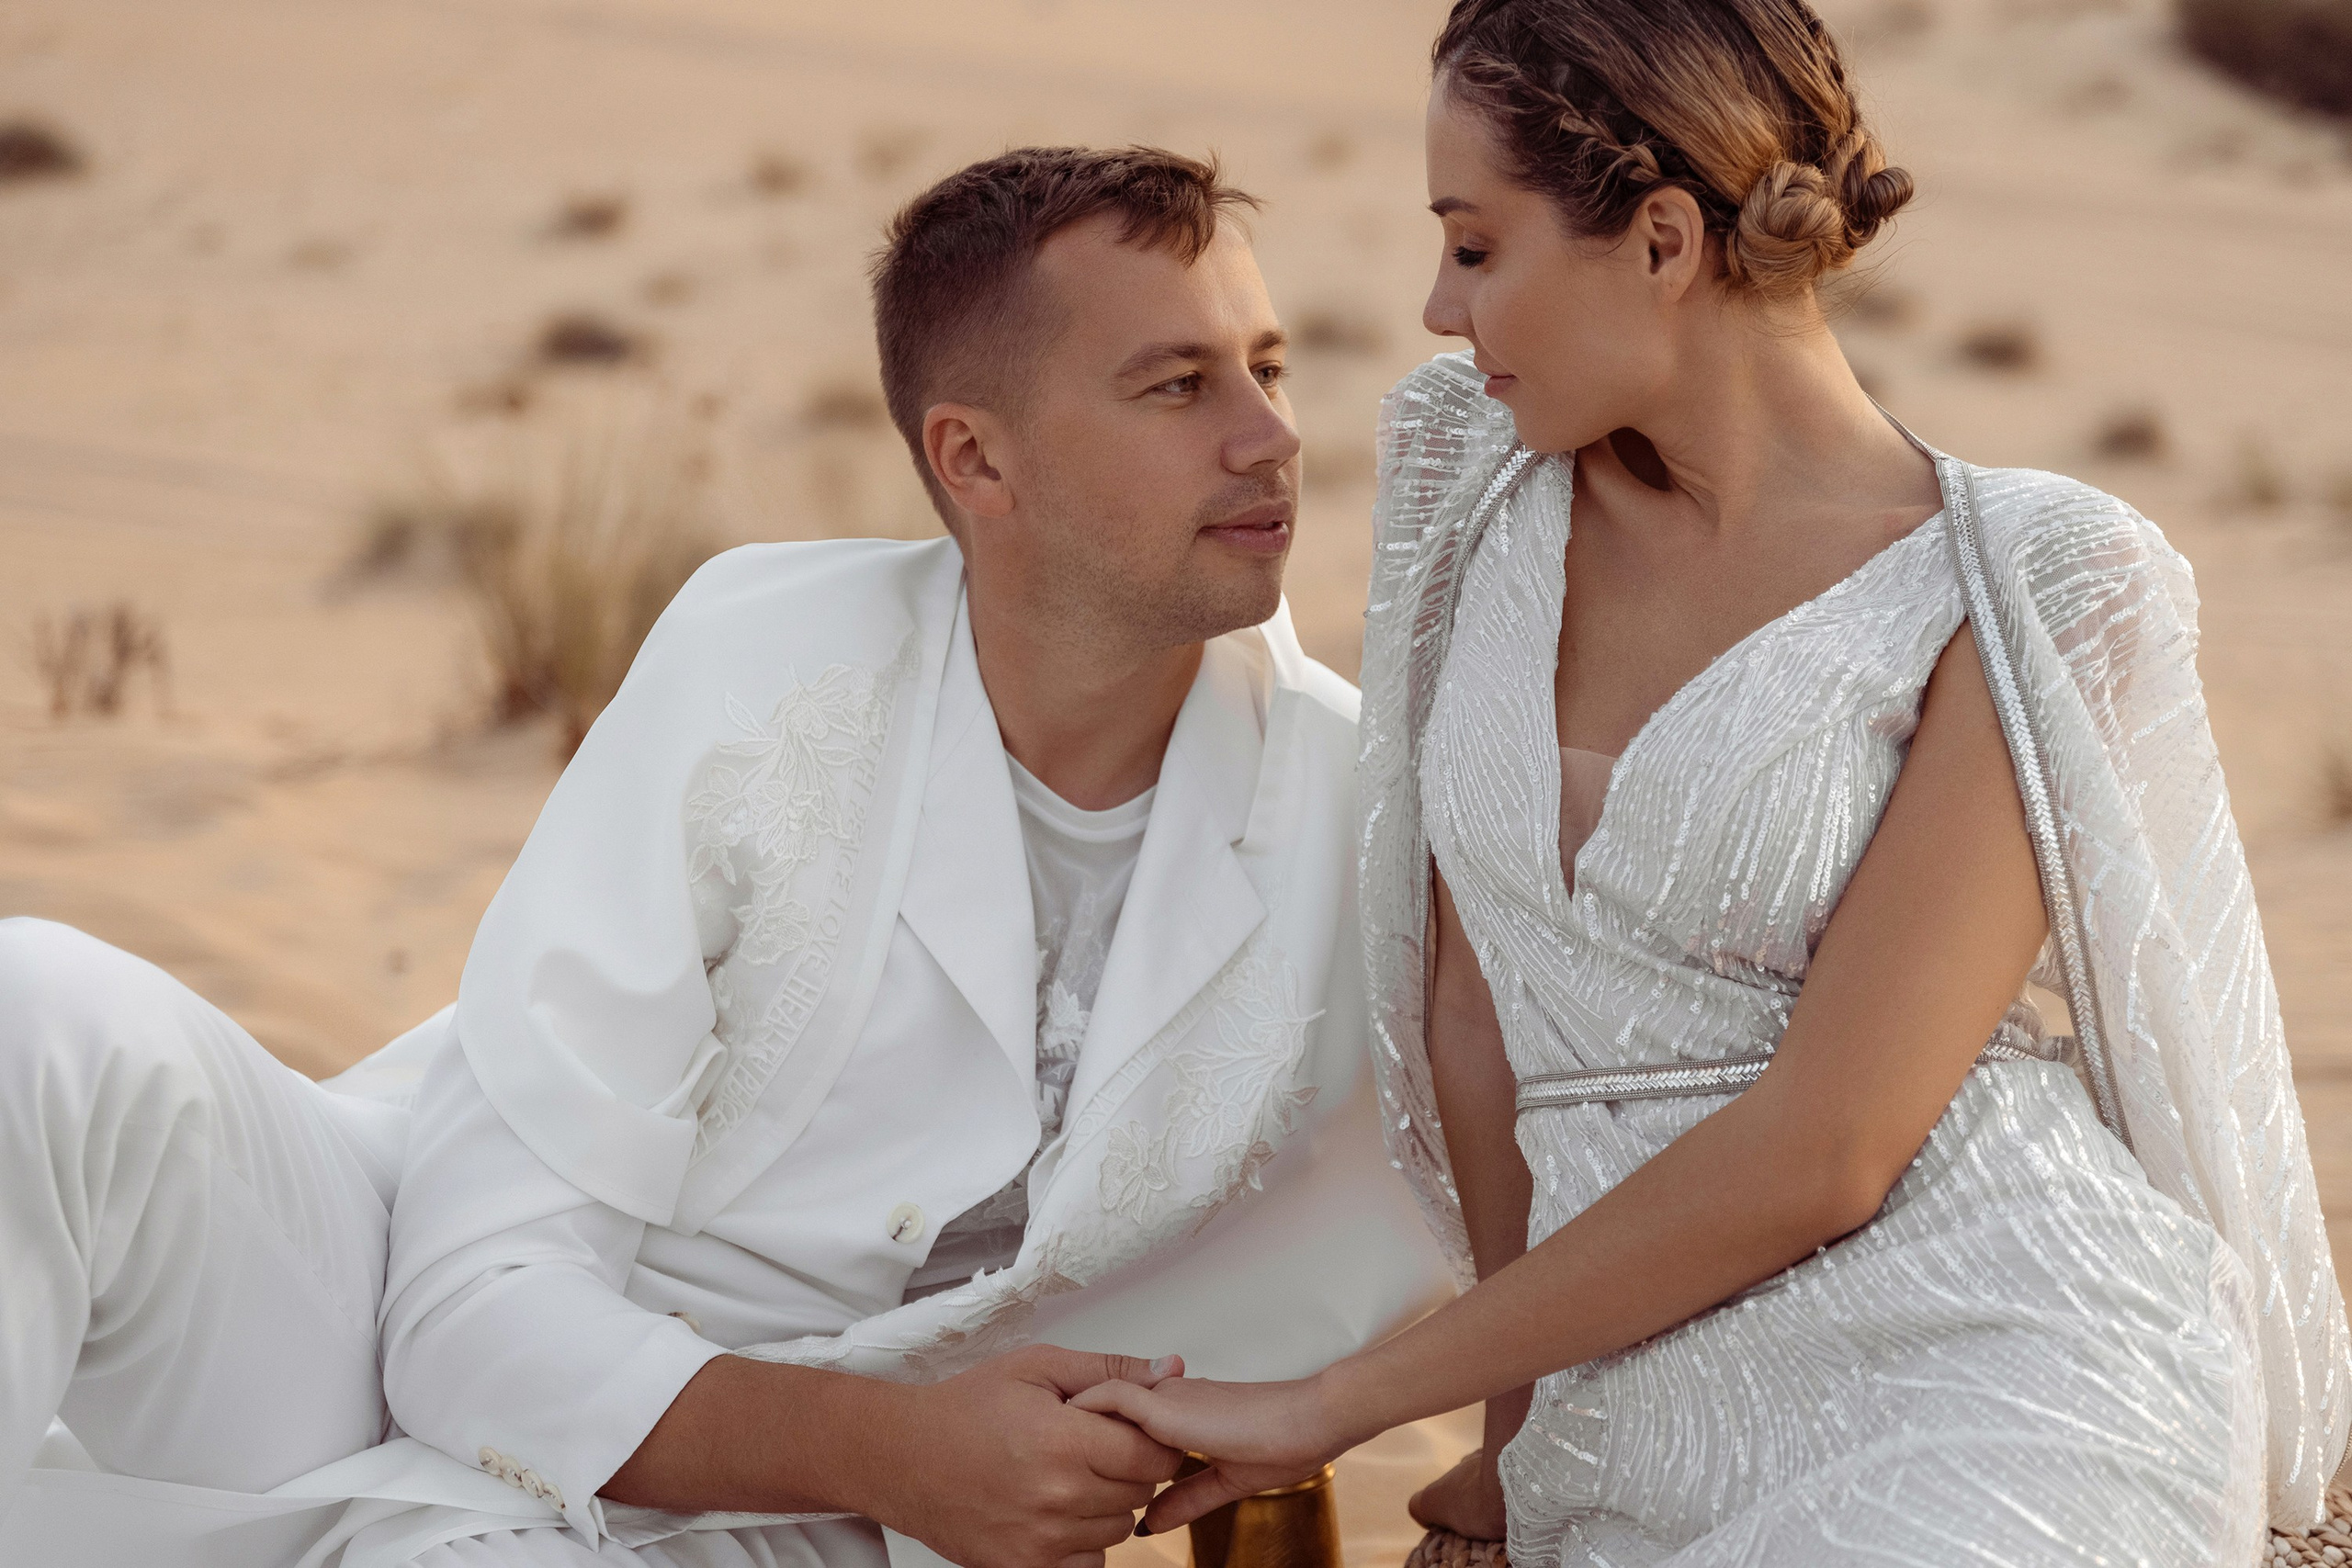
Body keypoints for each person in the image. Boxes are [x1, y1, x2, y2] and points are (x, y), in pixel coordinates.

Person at [0, 146, 1448, 1568]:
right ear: (974, 459)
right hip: (371, 1322)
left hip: (788, 1527)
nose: (1270, 436)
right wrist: (897, 1448)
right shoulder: (763, 662)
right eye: (1178, 385)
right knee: (37, 1015)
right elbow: (466, 1306)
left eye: (1268, 368)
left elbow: (1527, 1199)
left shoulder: (1364, 814)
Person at [1069, 5, 2352, 1564]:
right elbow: (1473, 1011)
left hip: (1998, 1364)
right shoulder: (1467, 479)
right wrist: (1517, 1432)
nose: (1437, 308)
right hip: (1627, 1393)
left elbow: (1831, 1146)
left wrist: (1339, 1403)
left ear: (1664, 241)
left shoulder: (2037, 583)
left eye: (1475, 247)